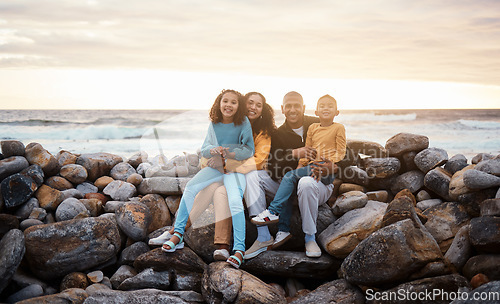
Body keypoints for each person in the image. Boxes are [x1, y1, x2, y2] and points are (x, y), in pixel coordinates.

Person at [244, 92, 344, 259]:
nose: (292, 110)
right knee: (253, 175)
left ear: (303, 108)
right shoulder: (277, 134)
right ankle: (263, 236)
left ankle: (310, 239)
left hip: (317, 186)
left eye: (296, 105)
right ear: (282, 109)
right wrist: (294, 153)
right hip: (287, 188)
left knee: (305, 182)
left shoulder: (319, 123)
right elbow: (272, 165)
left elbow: (346, 153)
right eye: (288, 106)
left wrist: (332, 168)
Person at [161, 89, 254, 269]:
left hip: (234, 170)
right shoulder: (215, 123)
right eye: (225, 101)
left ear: (238, 106)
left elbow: (249, 149)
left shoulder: (243, 122)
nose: (228, 105)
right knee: (190, 188)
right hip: (216, 169)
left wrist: (230, 153)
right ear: (219, 103)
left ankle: (239, 250)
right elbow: (205, 148)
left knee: (235, 200)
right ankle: (178, 234)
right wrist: (213, 150)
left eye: (233, 102)